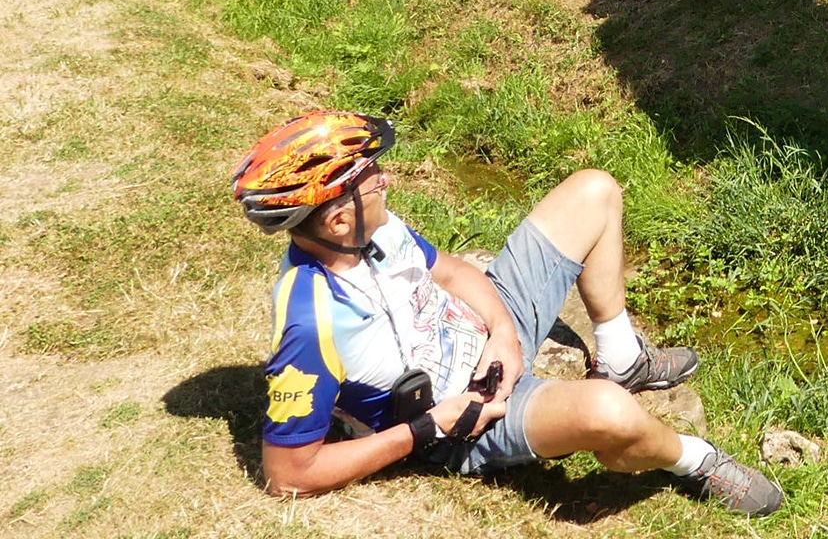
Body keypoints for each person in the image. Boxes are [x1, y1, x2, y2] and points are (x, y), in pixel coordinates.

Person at [231, 109, 783, 516]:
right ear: (336, 221)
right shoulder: (312, 324)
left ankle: (622, 357)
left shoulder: (375, 230)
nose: (385, 180)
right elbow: (288, 476)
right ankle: (695, 460)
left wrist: (501, 332)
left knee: (593, 190)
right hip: (461, 422)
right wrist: (428, 427)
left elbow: (452, 272)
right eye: (370, 179)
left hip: (490, 338)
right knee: (611, 415)